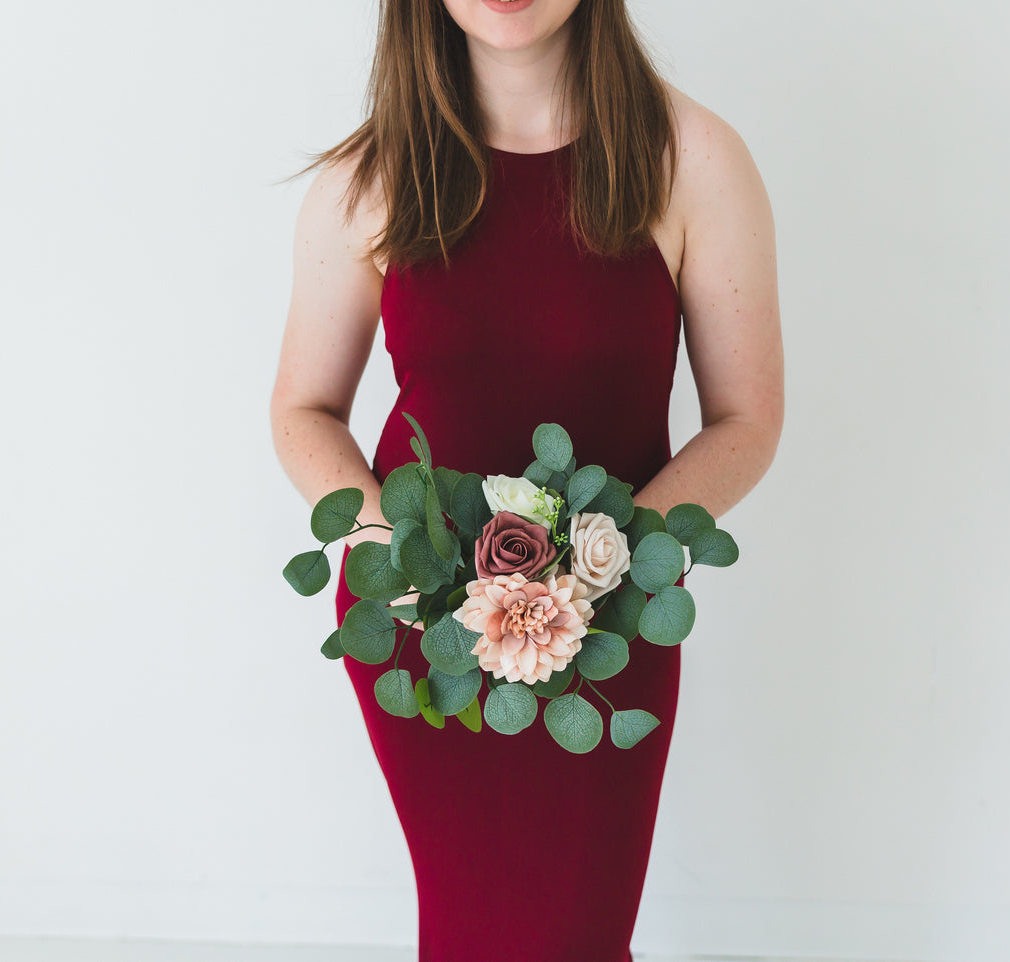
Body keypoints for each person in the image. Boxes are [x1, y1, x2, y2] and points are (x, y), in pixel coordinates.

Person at [270, 1, 782, 958]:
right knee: (470, 931)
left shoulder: (695, 159)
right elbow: (303, 409)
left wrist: (597, 568)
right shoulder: (368, 178)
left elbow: (745, 421)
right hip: (426, 630)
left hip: (606, 628)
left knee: (574, 936)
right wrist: (394, 549)